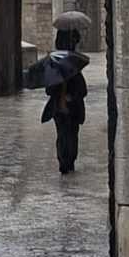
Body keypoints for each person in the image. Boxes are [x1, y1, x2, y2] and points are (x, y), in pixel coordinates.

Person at [41, 28, 87, 175]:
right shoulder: (74, 66)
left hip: (65, 107)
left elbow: (48, 90)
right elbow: (83, 90)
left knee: (64, 134)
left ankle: (65, 161)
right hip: (66, 107)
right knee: (69, 134)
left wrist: (67, 95)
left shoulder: (54, 64)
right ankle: (67, 161)